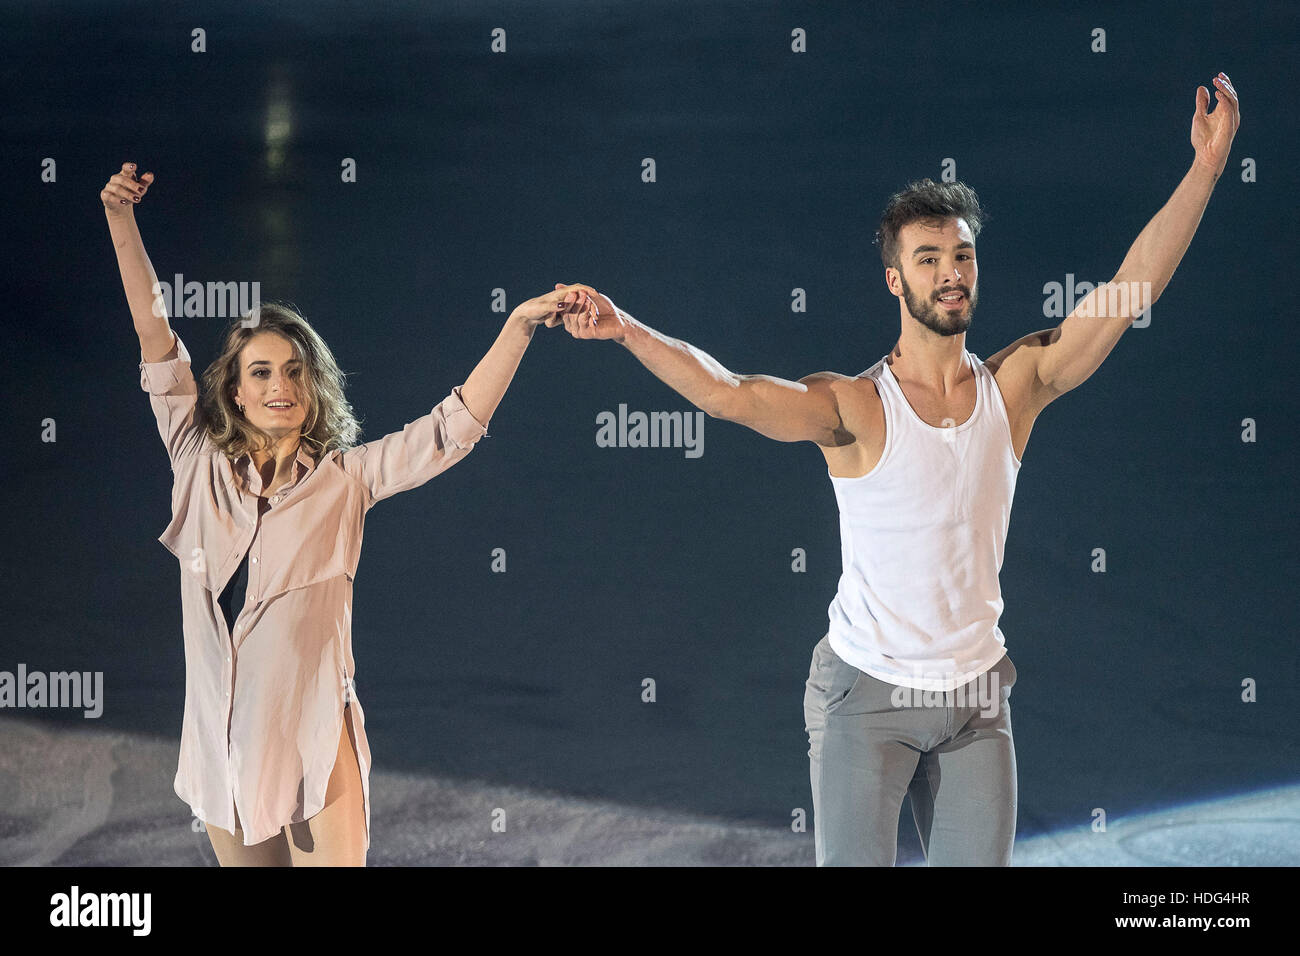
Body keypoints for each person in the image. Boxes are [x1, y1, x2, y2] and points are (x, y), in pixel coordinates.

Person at [556, 73, 1240, 865]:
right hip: (864, 698)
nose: (950, 271)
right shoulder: (854, 408)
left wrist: (1205, 170)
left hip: (978, 700)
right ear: (896, 279)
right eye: (928, 259)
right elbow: (730, 394)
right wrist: (625, 330)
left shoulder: (1017, 387)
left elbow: (1127, 293)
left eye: (961, 255)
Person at [102, 161, 587, 866]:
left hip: (313, 744)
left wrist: (517, 326)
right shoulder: (195, 459)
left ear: (314, 386)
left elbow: (451, 429)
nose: (281, 385)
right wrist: (121, 219)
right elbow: (155, 335)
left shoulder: (345, 480)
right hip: (220, 751)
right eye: (262, 372)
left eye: (295, 371)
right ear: (234, 393)